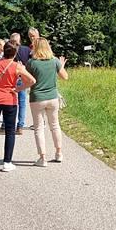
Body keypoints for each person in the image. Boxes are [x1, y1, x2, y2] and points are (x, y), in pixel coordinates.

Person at [0, 41, 36, 172]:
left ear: (4, 51)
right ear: (15, 53)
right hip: (9, 99)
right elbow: (32, 80)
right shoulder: (17, 66)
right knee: (10, 131)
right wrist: (19, 88)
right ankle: (7, 162)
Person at [27, 38, 68, 166]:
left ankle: (42, 158)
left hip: (37, 98)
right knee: (55, 125)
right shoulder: (54, 61)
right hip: (52, 97)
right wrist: (61, 65)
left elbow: (27, 80)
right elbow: (65, 77)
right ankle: (59, 153)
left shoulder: (31, 63)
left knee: (39, 128)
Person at [5, 32, 32, 135]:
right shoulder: (26, 50)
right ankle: (20, 126)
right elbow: (30, 62)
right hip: (22, 77)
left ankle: (6, 124)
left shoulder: (8, 49)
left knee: (8, 102)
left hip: (11, 78)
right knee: (22, 103)